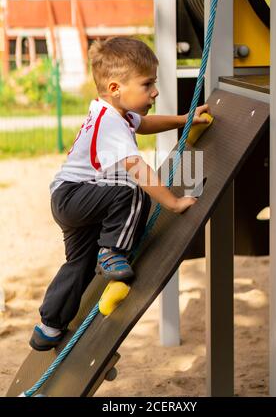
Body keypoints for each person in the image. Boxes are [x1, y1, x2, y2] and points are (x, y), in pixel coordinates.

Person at [29, 36, 210, 351]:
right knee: (130, 190)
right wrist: (174, 203)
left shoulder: (113, 111)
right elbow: (137, 169)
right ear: (115, 88)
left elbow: (145, 124)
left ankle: (49, 326)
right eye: (147, 84)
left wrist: (183, 120)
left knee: (79, 263)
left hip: (70, 197)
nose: (154, 91)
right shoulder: (111, 123)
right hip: (75, 195)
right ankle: (112, 252)